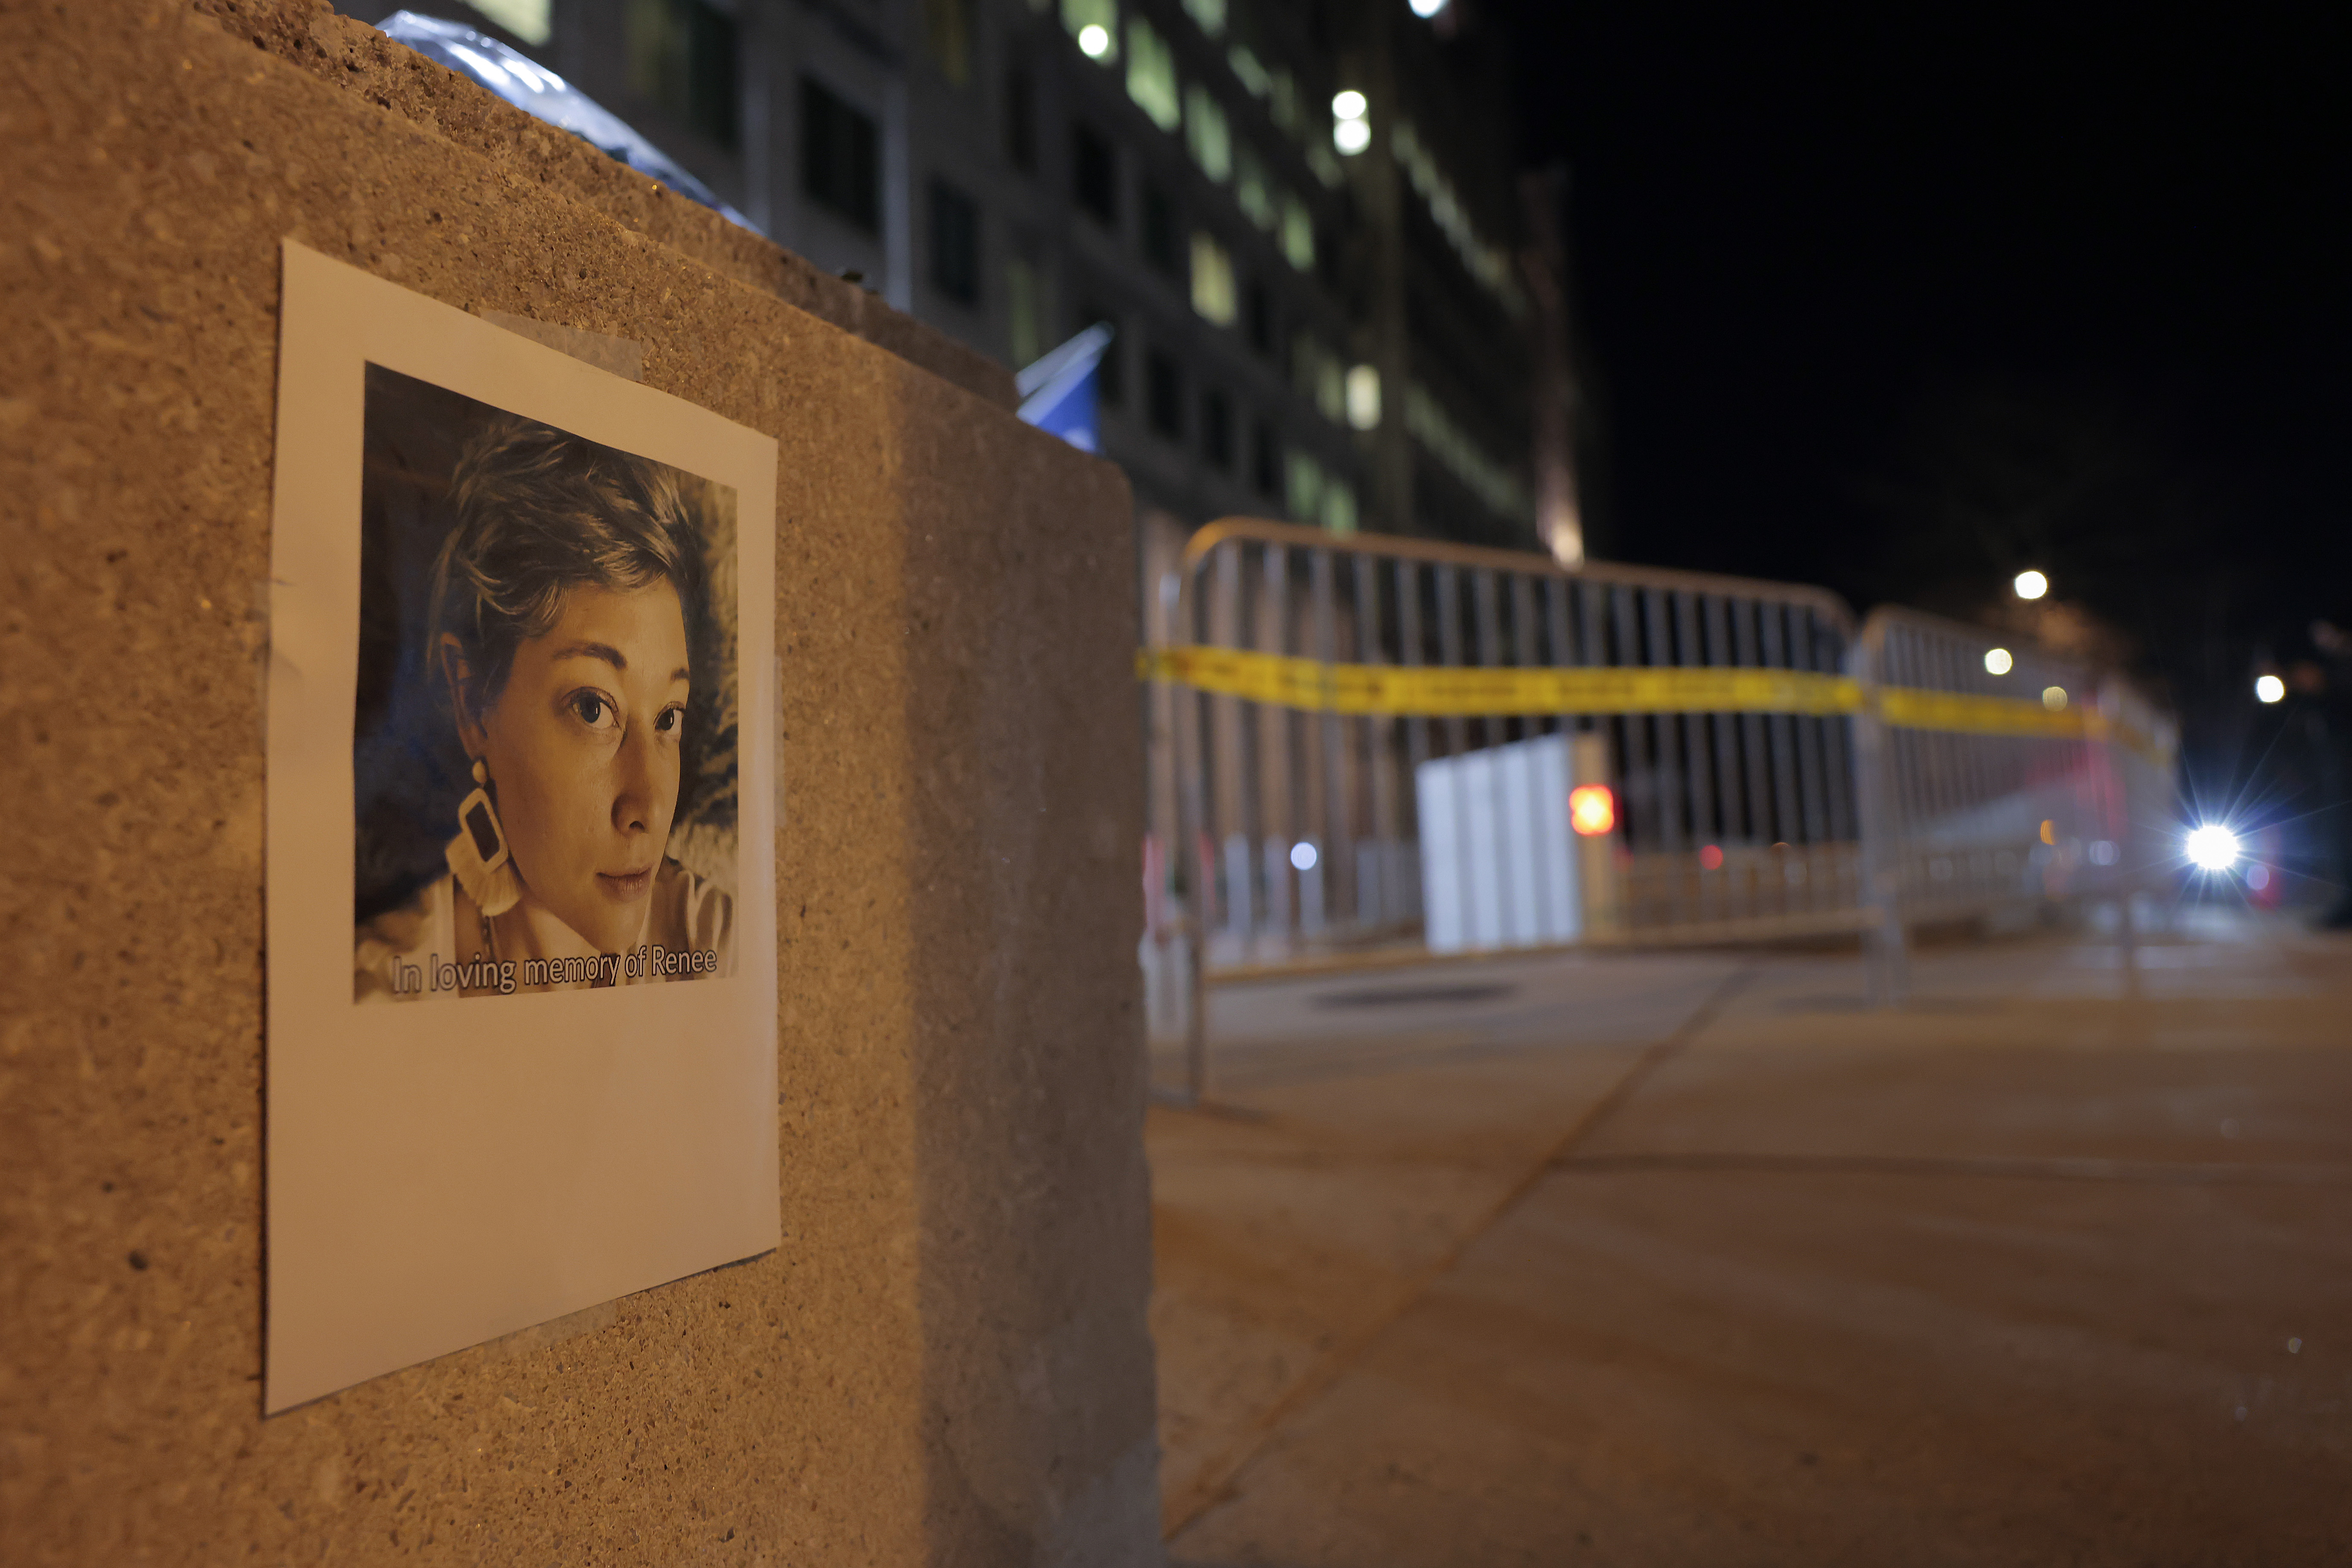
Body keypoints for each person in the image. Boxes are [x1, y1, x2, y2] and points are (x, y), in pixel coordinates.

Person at [355, 417, 733, 1000]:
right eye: (592, 707)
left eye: (668, 717)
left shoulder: (717, 951)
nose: (650, 807)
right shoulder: (383, 988)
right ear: (473, 701)